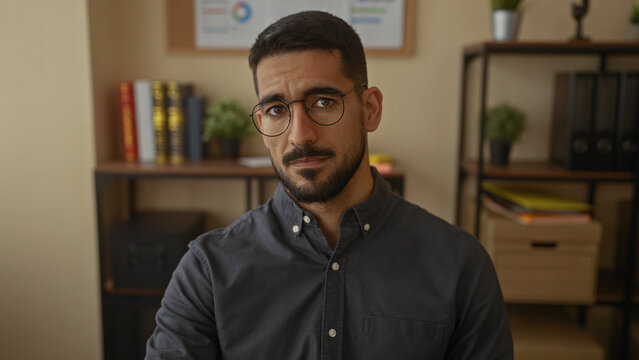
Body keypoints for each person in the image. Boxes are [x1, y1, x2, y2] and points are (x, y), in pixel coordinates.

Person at [146, 10, 512, 360]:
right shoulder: (207, 270)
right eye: (276, 110)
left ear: (370, 109)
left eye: (323, 102)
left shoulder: (460, 267)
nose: (299, 136)